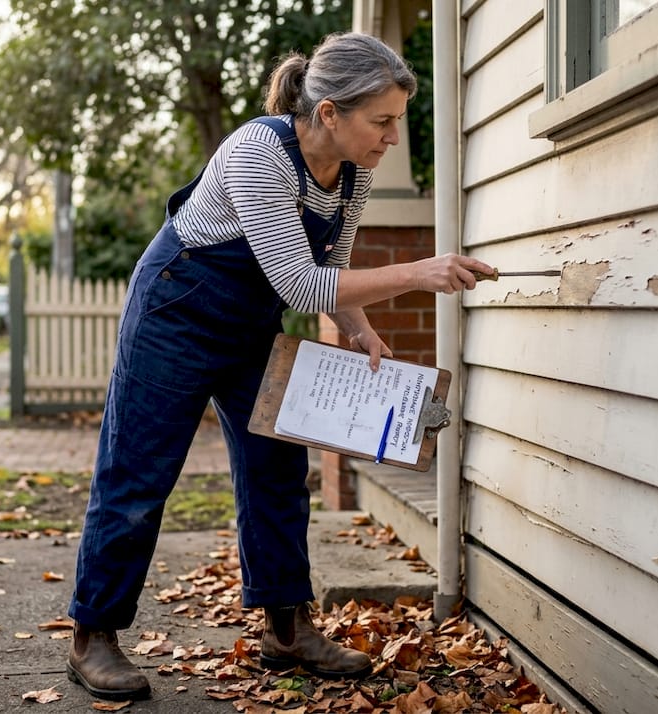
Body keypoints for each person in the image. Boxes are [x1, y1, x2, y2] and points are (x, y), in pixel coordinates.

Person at [66, 31, 495, 701]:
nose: (390, 137)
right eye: (380, 121)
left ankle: (287, 631)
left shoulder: (355, 174)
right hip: (174, 312)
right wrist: (419, 271)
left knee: (276, 471)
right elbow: (300, 286)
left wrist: (362, 329)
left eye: (396, 123)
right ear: (330, 114)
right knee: (139, 475)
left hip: (248, 325)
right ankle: (93, 635)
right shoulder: (259, 153)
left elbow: (329, 268)